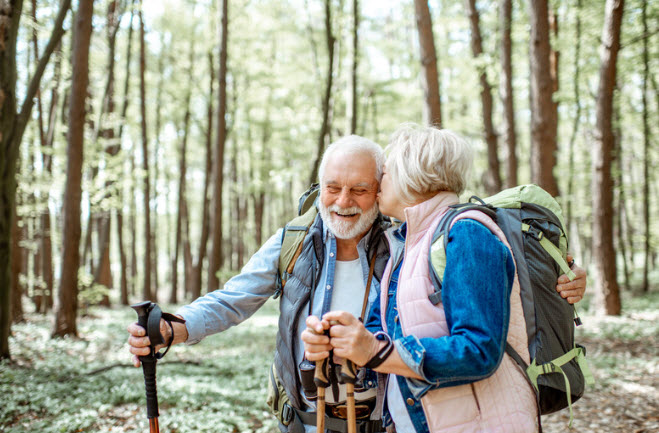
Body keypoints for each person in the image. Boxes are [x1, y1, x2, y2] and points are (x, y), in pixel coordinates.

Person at [127, 134, 587, 433]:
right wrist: (174, 326)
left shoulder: (406, 242)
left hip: (390, 420)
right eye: (332, 187)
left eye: (360, 189)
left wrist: (562, 279)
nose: (343, 202)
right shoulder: (296, 241)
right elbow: (234, 298)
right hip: (308, 421)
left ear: (383, 187)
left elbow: (476, 306)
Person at [302, 125, 570, 432]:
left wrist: (375, 352)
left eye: (385, 173)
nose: (377, 186)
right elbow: (381, 336)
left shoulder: (466, 233)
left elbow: (479, 350)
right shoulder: (406, 245)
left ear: (412, 174)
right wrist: (338, 343)